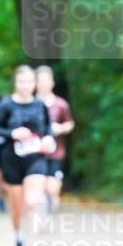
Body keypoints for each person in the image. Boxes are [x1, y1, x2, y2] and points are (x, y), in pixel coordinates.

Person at [0, 65, 56, 246]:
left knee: (33, 202)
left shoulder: (40, 105)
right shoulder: (7, 106)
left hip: (35, 159)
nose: (26, 86)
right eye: (21, 82)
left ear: (35, 83)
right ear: (16, 83)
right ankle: (19, 238)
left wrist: (48, 141)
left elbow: (49, 129)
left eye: (29, 82)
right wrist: (12, 134)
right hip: (11, 160)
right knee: (18, 208)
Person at [35, 66, 74, 212]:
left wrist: (60, 128)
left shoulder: (61, 105)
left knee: (53, 188)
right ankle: (39, 216)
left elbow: (70, 124)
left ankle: (48, 212)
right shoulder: (31, 104)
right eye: (40, 81)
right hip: (35, 153)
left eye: (46, 81)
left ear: (52, 83)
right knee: (37, 187)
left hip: (56, 153)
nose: (44, 84)